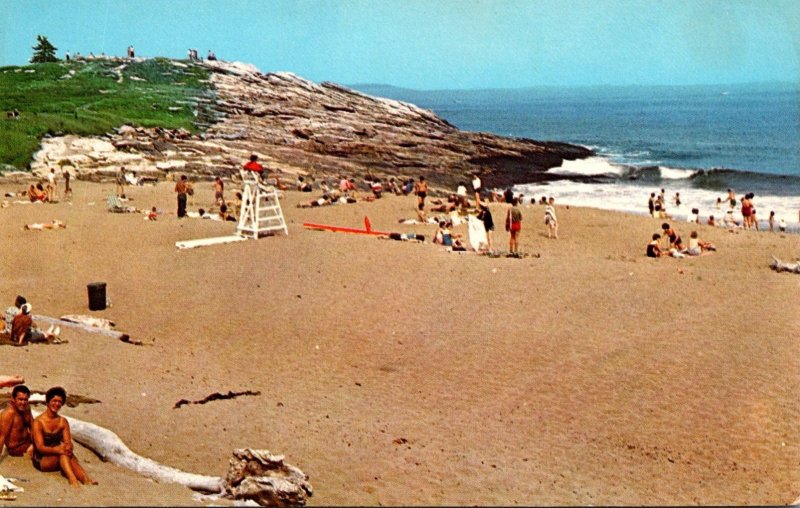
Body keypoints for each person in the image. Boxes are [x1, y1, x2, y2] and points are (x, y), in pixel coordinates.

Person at [32, 387, 96, 486]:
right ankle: (72, 479)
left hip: (59, 454)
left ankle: (85, 479)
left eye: (59, 402)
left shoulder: (63, 421)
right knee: (63, 453)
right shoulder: (38, 422)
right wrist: (57, 450)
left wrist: (69, 447)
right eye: (54, 401)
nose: (57, 404)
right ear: (48, 402)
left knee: (67, 453)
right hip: (42, 458)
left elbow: (68, 441)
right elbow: (40, 448)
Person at [0, 384, 33, 457]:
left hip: (28, 441)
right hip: (16, 448)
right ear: (13, 399)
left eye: (25, 399)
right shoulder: (8, 414)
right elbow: (2, 437)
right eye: (20, 399)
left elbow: (33, 426)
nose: (23, 403)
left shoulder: (27, 408)